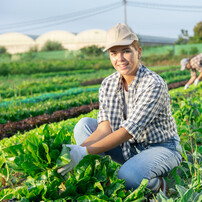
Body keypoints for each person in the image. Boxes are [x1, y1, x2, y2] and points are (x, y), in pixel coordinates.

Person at [57, 23, 182, 193]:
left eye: (126, 51)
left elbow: (128, 131)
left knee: (127, 178)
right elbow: (104, 128)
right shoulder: (108, 84)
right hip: (128, 148)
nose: (120, 59)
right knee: (84, 125)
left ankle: (159, 185)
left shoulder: (153, 84)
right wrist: (79, 152)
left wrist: (84, 152)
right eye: (114, 53)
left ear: (138, 51)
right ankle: (102, 178)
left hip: (160, 147)